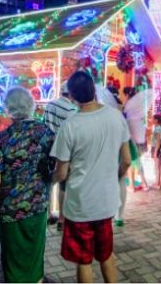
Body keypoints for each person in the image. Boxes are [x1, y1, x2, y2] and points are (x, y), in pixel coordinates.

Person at [51, 71, 131, 283]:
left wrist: (49, 180)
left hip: (80, 205)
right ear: (94, 90)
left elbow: (61, 173)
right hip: (106, 202)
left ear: (72, 96)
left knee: (84, 261)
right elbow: (126, 160)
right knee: (106, 255)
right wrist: (113, 178)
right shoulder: (116, 116)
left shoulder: (70, 126)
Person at [0, 87, 55, 283]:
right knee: (34, 257)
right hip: (37, 205)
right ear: (30, 106)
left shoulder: (1, 139)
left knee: (13, 260)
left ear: (8, 109)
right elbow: (55, 167)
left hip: (9, 209)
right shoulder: (45, 133)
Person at [44, 82, 78, 230]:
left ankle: (48, 214)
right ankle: (62, 220)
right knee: (63, 183)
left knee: (49, 182)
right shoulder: (72, 109)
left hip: (48, 147)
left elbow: (44, 124)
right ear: (71, 94)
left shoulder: (50, 105)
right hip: (63, 149)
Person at [122, 86, 150, 193]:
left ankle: (132, 185)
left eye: (123, 95)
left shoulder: (126, 107)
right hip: (138, 136)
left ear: (126, 95)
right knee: (137, 161)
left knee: (130, 161)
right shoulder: (138, 105)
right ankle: (144, 183)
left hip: (129, 136)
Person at [150, 114, 161, 189]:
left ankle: (157, 183)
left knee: (157, 166)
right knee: (159, 165)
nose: (151, 120)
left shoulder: (158, 129)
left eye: (153, 119)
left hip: (156, 147)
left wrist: (156, 151)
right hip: (157, 147)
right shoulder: (158, 128)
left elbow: (158, 140)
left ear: (156, 120)